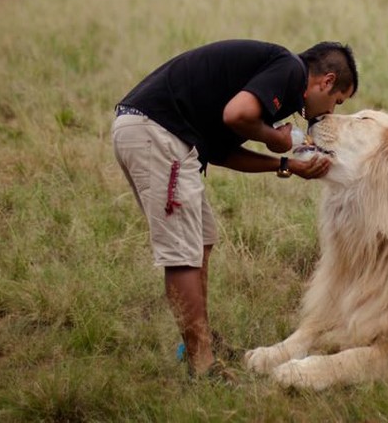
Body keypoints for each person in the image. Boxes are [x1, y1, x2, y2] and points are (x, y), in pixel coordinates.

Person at [111, 39, 358, 379]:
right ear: (326, 81)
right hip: (157, 133)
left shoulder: (275, 83)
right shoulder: (290, 71)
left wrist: (286, 164)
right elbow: (236, 114)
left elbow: (221, 152)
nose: (329, 113)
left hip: (165, 136)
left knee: (201, 239)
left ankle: (197, 344)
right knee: (183, 252)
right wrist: (274, 137)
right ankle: (202, 365)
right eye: (336, 102)